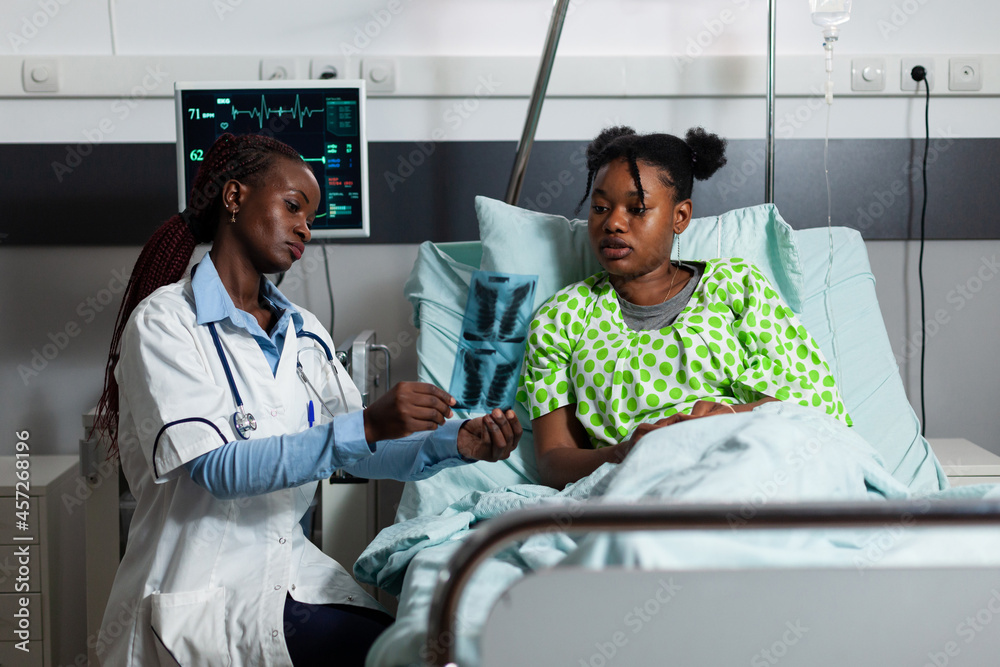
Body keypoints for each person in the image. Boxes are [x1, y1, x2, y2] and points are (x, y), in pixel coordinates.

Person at [92, 133, 521, 666]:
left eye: (311, 217)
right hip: (198, 599)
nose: (305, 229)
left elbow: (359, 452)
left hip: (288, 580)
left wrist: (453, 444)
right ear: (234, 198)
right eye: (292, 206)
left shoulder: (305, 333)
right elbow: (218, 471)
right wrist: (367, 424)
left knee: (421, 653)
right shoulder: (164, 322)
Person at [517, 126, 849, 490]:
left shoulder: (737, 287)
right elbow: (553, 462)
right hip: (639, 482)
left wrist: (720, 421)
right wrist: (628, 452)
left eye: (637, 208)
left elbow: (815, 403)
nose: (612, 222)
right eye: (599, 208)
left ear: (680, 216)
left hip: (751, 461)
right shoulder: (560, 318)